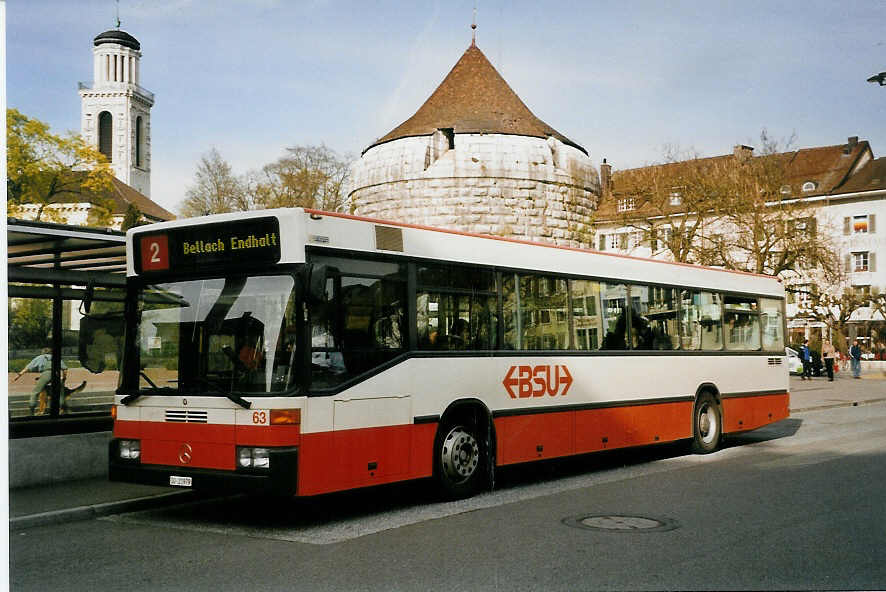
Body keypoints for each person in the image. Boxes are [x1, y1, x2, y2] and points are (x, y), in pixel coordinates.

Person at [13, 348, 67, 415]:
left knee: (35, 392)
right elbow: (65, 369)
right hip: (55, 373)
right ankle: (61, 409)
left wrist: (18, 375)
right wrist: (64, 378)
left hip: (45, 374)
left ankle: (31, 410)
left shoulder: (39, 358)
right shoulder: (56, 357)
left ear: (42, 352)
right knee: (60, 392)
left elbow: (28, 368)